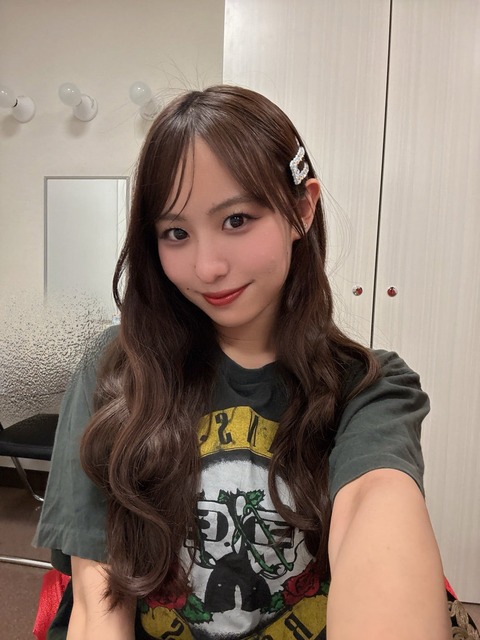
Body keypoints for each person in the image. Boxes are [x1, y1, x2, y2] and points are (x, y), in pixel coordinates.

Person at [35, 85, 456, 640]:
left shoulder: (369, 389)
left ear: (301, 209)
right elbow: (98, 607)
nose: (207, 267)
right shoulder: (117, 369)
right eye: (176, 233)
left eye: (236, 220)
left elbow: (374, 508)